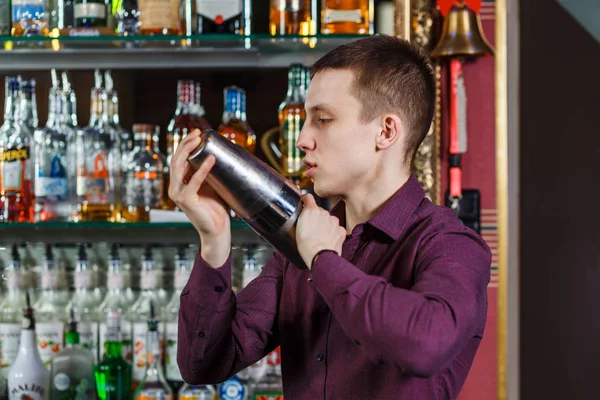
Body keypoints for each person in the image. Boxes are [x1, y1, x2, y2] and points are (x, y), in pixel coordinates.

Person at [170, 35, 492, 400]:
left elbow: (425, 344)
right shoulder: (303, 242)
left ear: (385, 131)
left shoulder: (451, 244)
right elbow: (202, 365)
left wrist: (324, 260)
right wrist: (213, 239)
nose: (302, 139)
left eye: (323, 119)